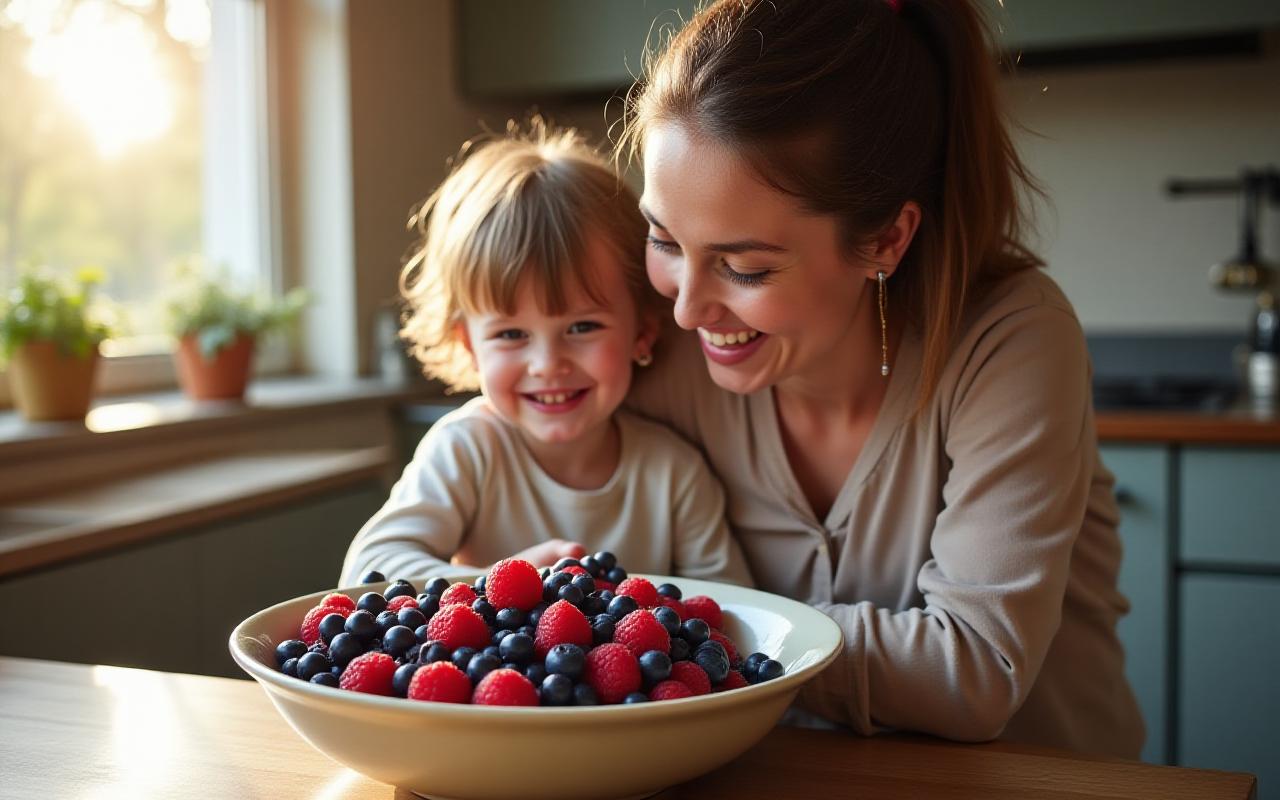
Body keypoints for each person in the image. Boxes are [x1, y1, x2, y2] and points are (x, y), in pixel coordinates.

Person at [616, 0, 1144, 757]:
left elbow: (975, 669)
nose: (689, 309)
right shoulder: (663, 356)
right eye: (663, 240)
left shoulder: (1010, 339)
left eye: (746, 267)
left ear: (886, 241)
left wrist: (681, 625)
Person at [339, 124, 752, 589]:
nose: (547, 363)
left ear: (643, 332)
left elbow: (731, 609)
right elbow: (368, 572)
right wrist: (502, 584)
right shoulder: (469, 449)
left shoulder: (674, 473)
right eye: (511, 334)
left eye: (581, 327)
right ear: (470, 345)